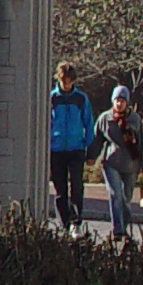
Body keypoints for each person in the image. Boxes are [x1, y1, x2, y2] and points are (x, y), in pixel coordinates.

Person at [94, 85, 143, 240]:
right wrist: (91, 156)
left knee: (126, 198)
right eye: (117, 100)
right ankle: (117, 230)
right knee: (115, 194)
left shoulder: (134, 119)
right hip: (111, 162)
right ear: (113, 101)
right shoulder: (105, 118)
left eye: (122, 100)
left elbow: (142, 143)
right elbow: (97, 139)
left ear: (127, 102)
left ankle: (124, 227)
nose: (119, 104)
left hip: (131, 164)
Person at [46, 62, 93, 230]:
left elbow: (88, 122)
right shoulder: (52, 98)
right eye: (64, 80)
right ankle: (64, 223)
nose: (67, 84)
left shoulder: (81, 98)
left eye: (69, 81)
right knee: (60, 189)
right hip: (56, 149)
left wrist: (87, 144)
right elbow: (46, 122)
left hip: (76, 149)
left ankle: (76, 220)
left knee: (77, 186)